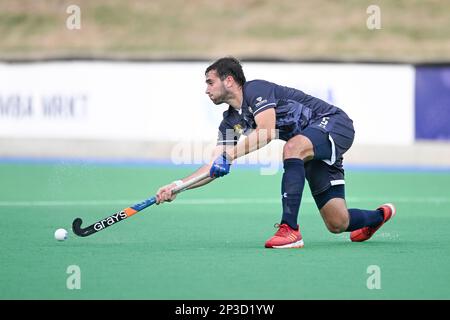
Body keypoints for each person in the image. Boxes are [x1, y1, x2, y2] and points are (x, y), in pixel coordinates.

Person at [156, 57, 396, 249]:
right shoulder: (229, 122)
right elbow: (213, 166)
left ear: (228, 80)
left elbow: (266, 132)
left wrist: (229, 156)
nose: (206, 90)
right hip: (307, 147)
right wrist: (177, 186)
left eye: (210, 82)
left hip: (333, 124)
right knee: (337, 222)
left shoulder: (255, 90)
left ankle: (290, 229)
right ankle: (378, 217)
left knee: (291, 146)